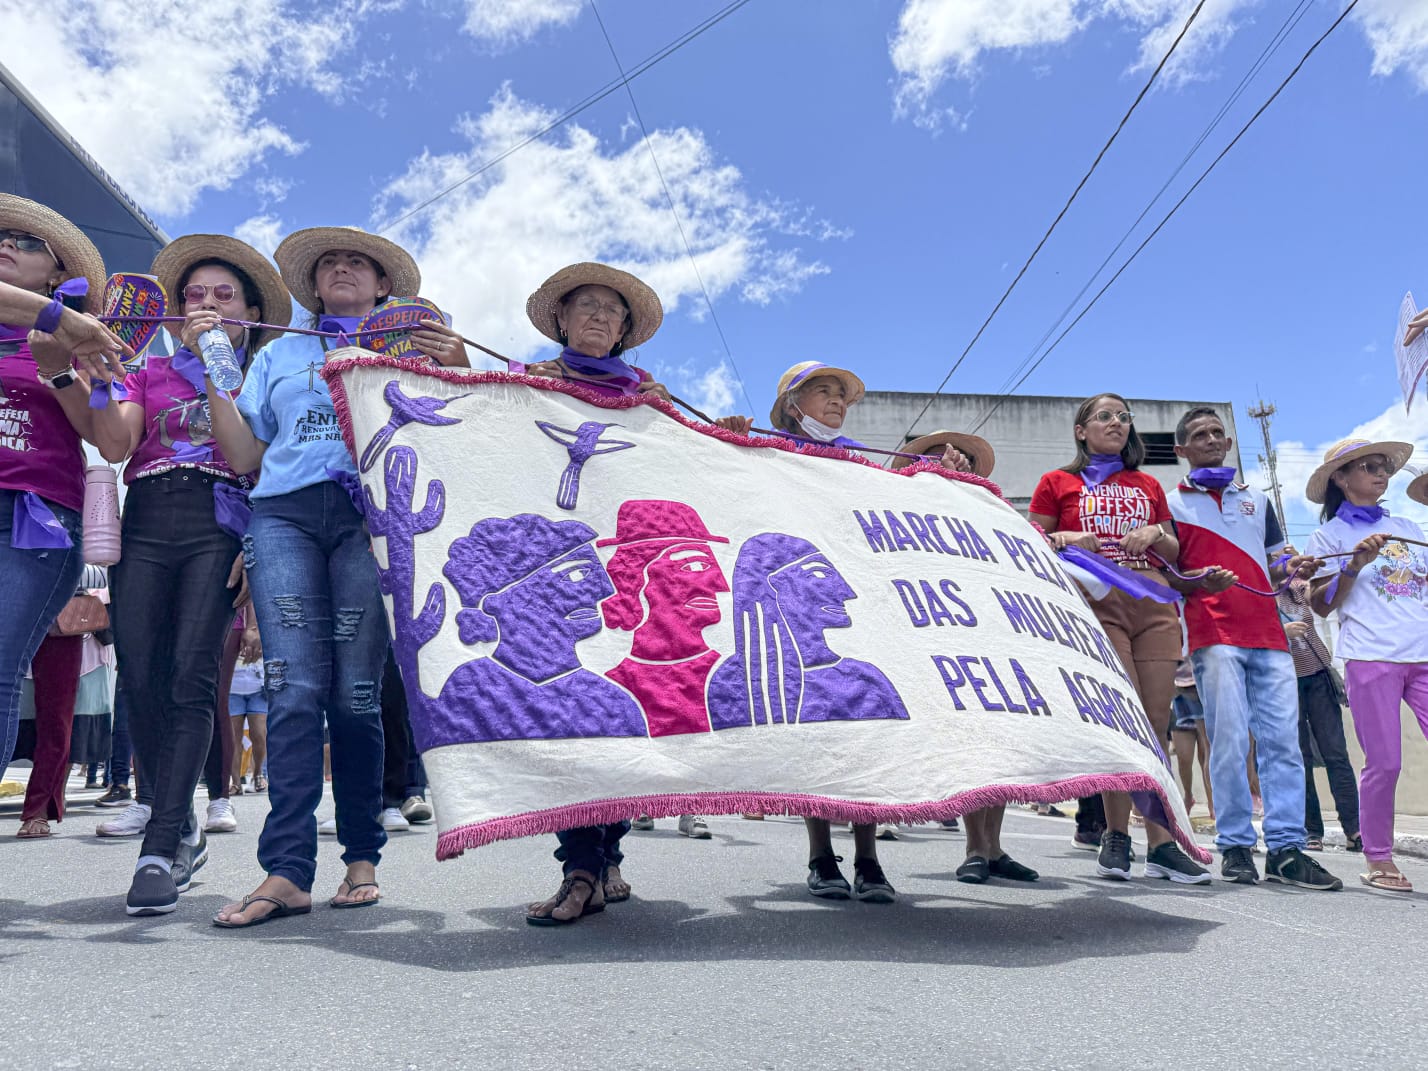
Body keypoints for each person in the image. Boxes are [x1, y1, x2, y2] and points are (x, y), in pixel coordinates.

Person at [209, 226, 460, 928]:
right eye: (329, 264)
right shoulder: (278, 354)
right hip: (282, 517)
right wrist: (215, 371)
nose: (343, 268)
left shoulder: (407, 350)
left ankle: (361, 855)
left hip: (373, 519)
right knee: (292, 692)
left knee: (355, 695)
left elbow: (451, 432)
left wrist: (456, 362)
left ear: (385, 287)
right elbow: (241, 452)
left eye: (360, 263)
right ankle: (286, 869)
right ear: (313, 287)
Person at [88, 234, 288, 915]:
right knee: (139, 675)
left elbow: (261, 463)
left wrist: (253, 543)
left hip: (218, 519)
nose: (206, 305)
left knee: (192, 675)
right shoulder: (146, 370)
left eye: (223, 296)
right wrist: (90, 375)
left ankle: (163, 840)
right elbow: (116, 441)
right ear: (173, 314)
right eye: (194, 297)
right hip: (147, 513)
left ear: (250, 312)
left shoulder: (264, 374)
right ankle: (170, 819)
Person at [516, 262, 674, 924]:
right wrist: (518, 397)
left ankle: (606, 853)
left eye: (613, 311)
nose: (599, 317)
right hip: (557, 569)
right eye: (586, 306)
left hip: (627, 572)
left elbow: (678, 469)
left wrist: (693, 425)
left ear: (625, 330)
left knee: (617, 711)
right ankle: (580, 863)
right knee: (568, 711)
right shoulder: (524, 384)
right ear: (561, 319)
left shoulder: (652, 397)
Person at [1028, 393, 1210, 884]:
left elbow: (1174, 549)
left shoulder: (1148, 483)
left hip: (1152, 601)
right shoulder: (1055, 482)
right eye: (1105, 416)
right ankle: (1115, 835)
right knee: (1121, 719)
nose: (1117, 423)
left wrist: (1154, 532)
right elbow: (1030, 542)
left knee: (1155, 725)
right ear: (1080, 430)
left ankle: (1162, 843)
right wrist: (1065, 538)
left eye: (1124, 417)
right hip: (1096, 603)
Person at [1166, 407, 1340, 890]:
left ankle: (1286, 849)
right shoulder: (1171, 504)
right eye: (1199, 434)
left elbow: (1276, 563)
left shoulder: (1256, 500)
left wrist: (1294, 566)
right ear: (1181, 449)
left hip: (1270, 633)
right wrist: (1197, 580)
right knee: (1228, 740)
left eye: (1218, 433)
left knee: (1285, 742)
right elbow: (1170, 575)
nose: (1211, 439)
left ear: (1228, 444)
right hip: (1213, 634)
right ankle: (1236, 845)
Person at [0, 196, 115, 782]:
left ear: (57, 275)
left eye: (24, 242)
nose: (5, 246)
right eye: (0, 236)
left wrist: (60, 368)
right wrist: (53, 317)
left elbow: (105, 437)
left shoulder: (80, 346)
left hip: (31, 517)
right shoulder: (62, 324)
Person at [1305, 438, 1428, 893]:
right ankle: (1378, 857)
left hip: (1424, 653)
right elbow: (1320, 605)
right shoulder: (1328, 537)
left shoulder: (1409, 525)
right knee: (1386, 762)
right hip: (1371, 656)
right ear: (1341, 477)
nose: (1382, 473)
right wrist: (1353, 566)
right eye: (1369, 466)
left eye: (1384, 467)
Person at [1276, 572, 1360, 853]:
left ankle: (1355, 828)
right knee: (1300, 757)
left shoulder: (1298, 587)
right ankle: (1312, 830)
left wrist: (1302, 573)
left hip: (1318, 675)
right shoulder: (1259, 591)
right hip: (1285, 680)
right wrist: (1282, 632)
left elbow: (1317, 598)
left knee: (1336, 752)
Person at [228, 609, 267, 798]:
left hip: (258, 686)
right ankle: (235, 781)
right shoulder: (230, 615)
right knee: (233, 738)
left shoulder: (260, 612)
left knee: (259, 733)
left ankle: (259, 773)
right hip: (232, 687)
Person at [1168, 660, 1212, 819]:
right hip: (1181, 692)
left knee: (1206, 751)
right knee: (1184, 757)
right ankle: (1188, 795)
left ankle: (1213, 805)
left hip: (1202, 686)